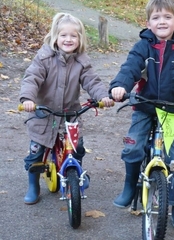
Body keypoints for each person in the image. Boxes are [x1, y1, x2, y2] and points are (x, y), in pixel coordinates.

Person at [109, 0, 174, 230]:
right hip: (145, 106)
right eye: (156, 17)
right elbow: (130, 68)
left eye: (167, 17)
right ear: (148, 23)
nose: (162, 21)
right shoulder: (142, 47)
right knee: (132, 147)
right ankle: (130, 186)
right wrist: (119, 86)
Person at [20, 12, 113, 205]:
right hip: (43, 114)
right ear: (55, 36)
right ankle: (33, 184)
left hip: (70, 114)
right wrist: (28, 98)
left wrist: (102, 96)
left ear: (80, 39)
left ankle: (76, 172)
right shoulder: (44, 58)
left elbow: (91, 81)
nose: (68, 39)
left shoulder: (81, 62)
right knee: (36, 152)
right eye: (63, 35)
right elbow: (32, 78)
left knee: (77, 147)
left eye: (73, 36)